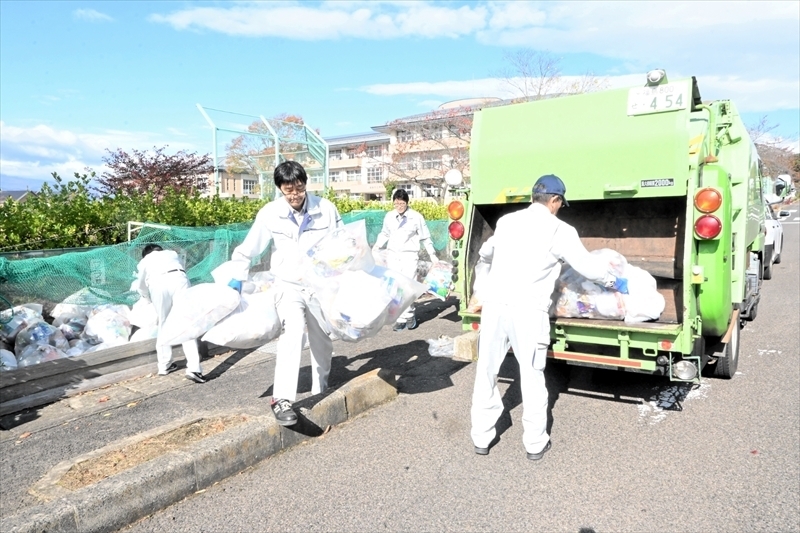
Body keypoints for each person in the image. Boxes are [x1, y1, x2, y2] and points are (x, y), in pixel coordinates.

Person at [470, 174, 627, 461]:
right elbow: (586, 266)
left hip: (495, 306)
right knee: (531, 376)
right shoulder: (560, 230)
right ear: (554, 201)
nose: (559, 208)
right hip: (528, 311)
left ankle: (481, 437)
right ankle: (535, 444)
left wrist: (483, 286)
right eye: (560, 203)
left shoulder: (506, 222)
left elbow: (484, 253)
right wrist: (613, 281)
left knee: (487, 372)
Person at [227, 160, 342, 426]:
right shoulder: (270, 213)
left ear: (305, 185)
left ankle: (320, 389)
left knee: (322, 340)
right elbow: (250, 246)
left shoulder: (326, 209)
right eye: (288, 190)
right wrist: (236, 275)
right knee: (292, 333)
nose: (294, 195)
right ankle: (282, 399)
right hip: (287, 284)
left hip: (318, 285)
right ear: (280, 188)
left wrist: (342, 276)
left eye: (299, 189)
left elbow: (341, 243)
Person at [132, 244, 206, 384]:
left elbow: (141, 285)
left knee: (164, 323)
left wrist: (147, 299)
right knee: (186, 323)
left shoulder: (144, 261)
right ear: (159, 249)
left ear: (146, 254)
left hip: (157, 284)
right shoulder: (172, 253)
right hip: (178, 279)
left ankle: (164, 365)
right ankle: (194, 368)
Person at [372, 189, 439, 331]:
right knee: (396, 288)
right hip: (393, 256)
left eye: (402, 203)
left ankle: (410, 316)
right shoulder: (389, 217)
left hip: (409, 256)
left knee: (408, 287)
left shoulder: (416, 217)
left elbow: (425, 237)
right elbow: (384, 233)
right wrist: (377, 246)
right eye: (396, 203)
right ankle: (401, 319)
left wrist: (433, 256)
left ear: (407, 202)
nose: (399, 206)